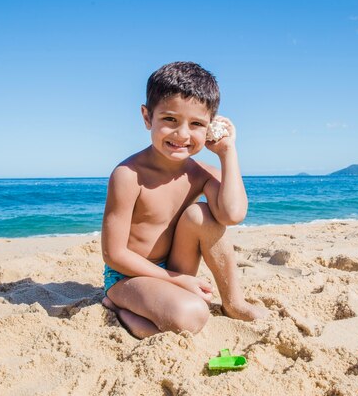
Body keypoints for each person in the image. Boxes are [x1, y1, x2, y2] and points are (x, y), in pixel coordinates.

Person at [101, 61, 268, 339]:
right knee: (192, 314)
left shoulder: (200, 173)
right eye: (170, 120)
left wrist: (227, 152)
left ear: (210, 128)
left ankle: (234, 302)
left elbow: (232, 214)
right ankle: (117, 307)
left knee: (201, 214)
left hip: (176, 270)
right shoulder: (128, 175)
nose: (182, 135)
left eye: (197, 124)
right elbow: (114, 254)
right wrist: (178, 281)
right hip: (128, 277)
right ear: (147, 117)